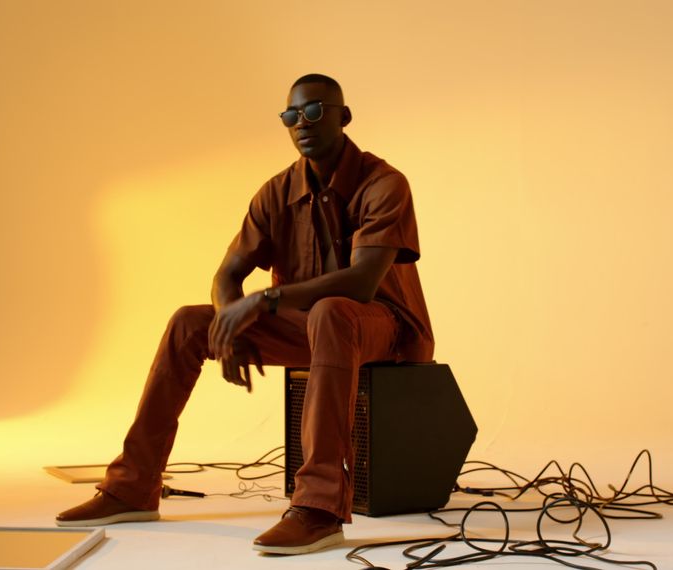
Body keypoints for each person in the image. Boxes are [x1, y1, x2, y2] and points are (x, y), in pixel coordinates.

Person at [56, 73, 434, 555]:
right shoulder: (276, 192)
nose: (303, 123)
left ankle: (319, 509)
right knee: (189, 323)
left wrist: (265, 301)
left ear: (343, 117)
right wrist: (229, 325)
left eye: (315, 111)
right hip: (319, 328)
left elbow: (362, 284)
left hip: (388, 328)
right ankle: (132, 486)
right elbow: (226, 275)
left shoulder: (384, 183)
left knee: (331, 312)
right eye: (291, 115)